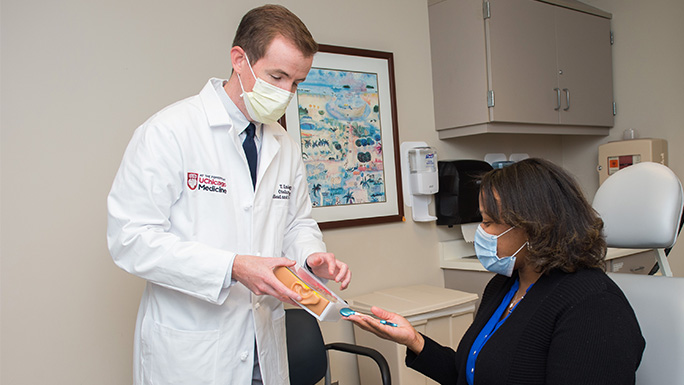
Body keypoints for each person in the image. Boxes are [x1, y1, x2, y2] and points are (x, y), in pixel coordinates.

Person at [107, 5, 351, 385]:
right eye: (277, 76)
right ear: (240, 59)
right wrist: (232, 266)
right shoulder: (170, 132)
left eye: (296, 83)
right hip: (195, 353)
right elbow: (131, 239)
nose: (286, 93)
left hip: (263, 346)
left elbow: (297, 221)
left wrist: (310, 256)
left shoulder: (282, 144)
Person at [346, 158, 645, 385]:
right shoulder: (504, 286)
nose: (481, 232)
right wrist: (415, 341)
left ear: (533, 227)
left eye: (488, 222)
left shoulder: (593, 307)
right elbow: (476, 374)